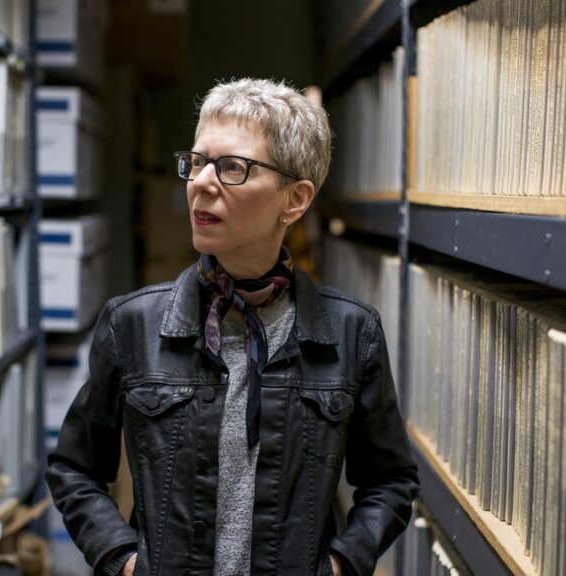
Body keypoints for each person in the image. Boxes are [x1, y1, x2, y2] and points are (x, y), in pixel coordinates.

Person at [46, 78, 419, 576]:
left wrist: (341, 564)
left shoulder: (353, 334)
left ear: (295, 199)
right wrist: (122, 560)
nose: (201, 181)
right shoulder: (132, 324)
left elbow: (390, 482)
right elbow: (74, 469)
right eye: (197, 162)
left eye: (232, 168)